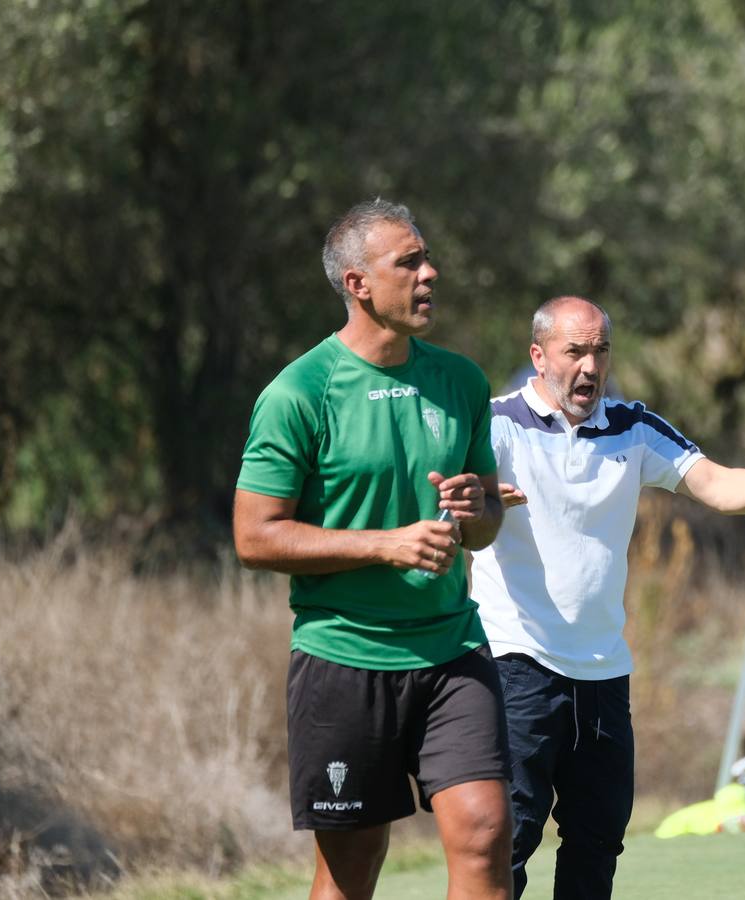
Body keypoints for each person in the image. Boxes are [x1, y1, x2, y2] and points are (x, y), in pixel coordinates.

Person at [468, 296, 745, 898]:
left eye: (600, 351)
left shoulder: (632, 426)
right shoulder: (496, 424)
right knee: (509, 843)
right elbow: (448, 496)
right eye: (574, 350)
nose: (590, 366)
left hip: (603, 675)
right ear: (538, 356)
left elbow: (711, 481)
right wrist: (474, 497)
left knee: (597, 844)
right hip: (515, 664)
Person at [232, 199, 512, 900]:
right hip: (343, 661)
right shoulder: (299, 393)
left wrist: (479, 510)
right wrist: (386, 546)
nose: (430, 273)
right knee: (349, 874)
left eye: (427, 258)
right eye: (408, 263)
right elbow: (254, 535)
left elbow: (484, 526)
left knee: (484, 832)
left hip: (452, 650)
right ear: (357, 283)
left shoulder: (463, 381)